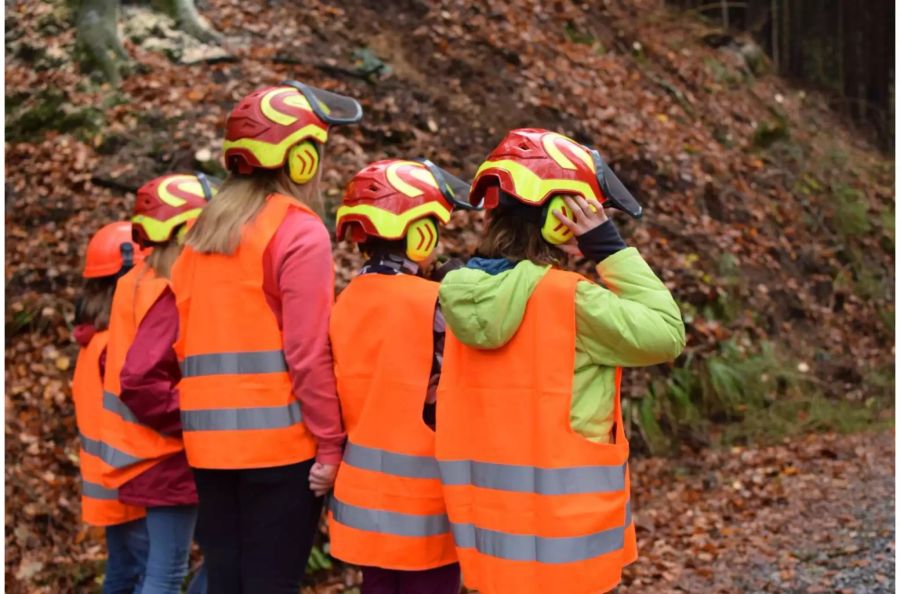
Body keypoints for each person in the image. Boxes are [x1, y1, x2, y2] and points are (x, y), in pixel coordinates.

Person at [434, 129, 686, 594]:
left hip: (492, 543)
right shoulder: (567, 299)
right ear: (557, 219)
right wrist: (607, 247)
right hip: (568, 544)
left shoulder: (455, 293)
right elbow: (667, 334)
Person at [171, 81, 362, 594]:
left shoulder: (201, 233)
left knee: (225, 579)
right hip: (280, 450)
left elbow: (180, 339)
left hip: (207, 445)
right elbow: (306, 352)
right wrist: (329, 444)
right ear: (300, 160)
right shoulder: (298, 230)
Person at [328, 159, 476, 594]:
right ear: (421, 232)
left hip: (362, 496)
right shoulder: (433, 302)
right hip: (425, 500)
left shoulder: (345, 300)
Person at [99, 173, 215, 594]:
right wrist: (201, 408)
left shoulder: (134, 280)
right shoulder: (170, 288)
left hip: (145, 451)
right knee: (167, 573)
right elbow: (140, 380)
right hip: (167, 454)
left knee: (222, 555)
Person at [72, 221, 149, 593]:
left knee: (124, 570)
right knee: (140, 573)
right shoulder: (113, 346)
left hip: (108, 481)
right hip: (130, 480)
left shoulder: (92, 342)